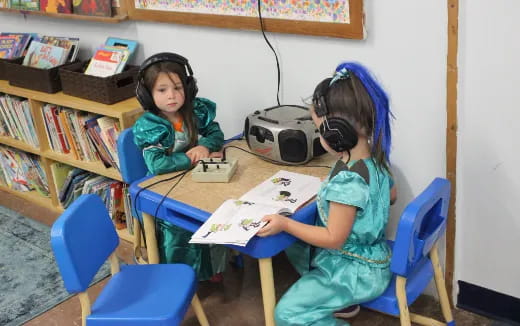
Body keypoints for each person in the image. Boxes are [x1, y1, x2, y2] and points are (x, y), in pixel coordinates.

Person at [257, 62, 397, 325]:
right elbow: (391, 195)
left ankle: (338, 302)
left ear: (337, 134)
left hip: (353, 272)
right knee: (299, 245)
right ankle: (336, 302)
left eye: (320, 129)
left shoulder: (349, 183)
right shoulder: (377, 161)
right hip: (370, 257)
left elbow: (333, 238)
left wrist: (286, 223)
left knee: (286, 313)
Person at [133, 52, 227, 282]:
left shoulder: (195, 111)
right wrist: (192, 158)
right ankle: (183, 276)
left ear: (188, 88)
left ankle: (211, 267)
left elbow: (216, 133)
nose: (172, 96)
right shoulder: (150, 126)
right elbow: (157, 164)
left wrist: (204, 146)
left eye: (177, 88)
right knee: (179, 225)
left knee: (219, 210)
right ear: (148, 94)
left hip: (195, 181)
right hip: (165, 190)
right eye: (162, 90)